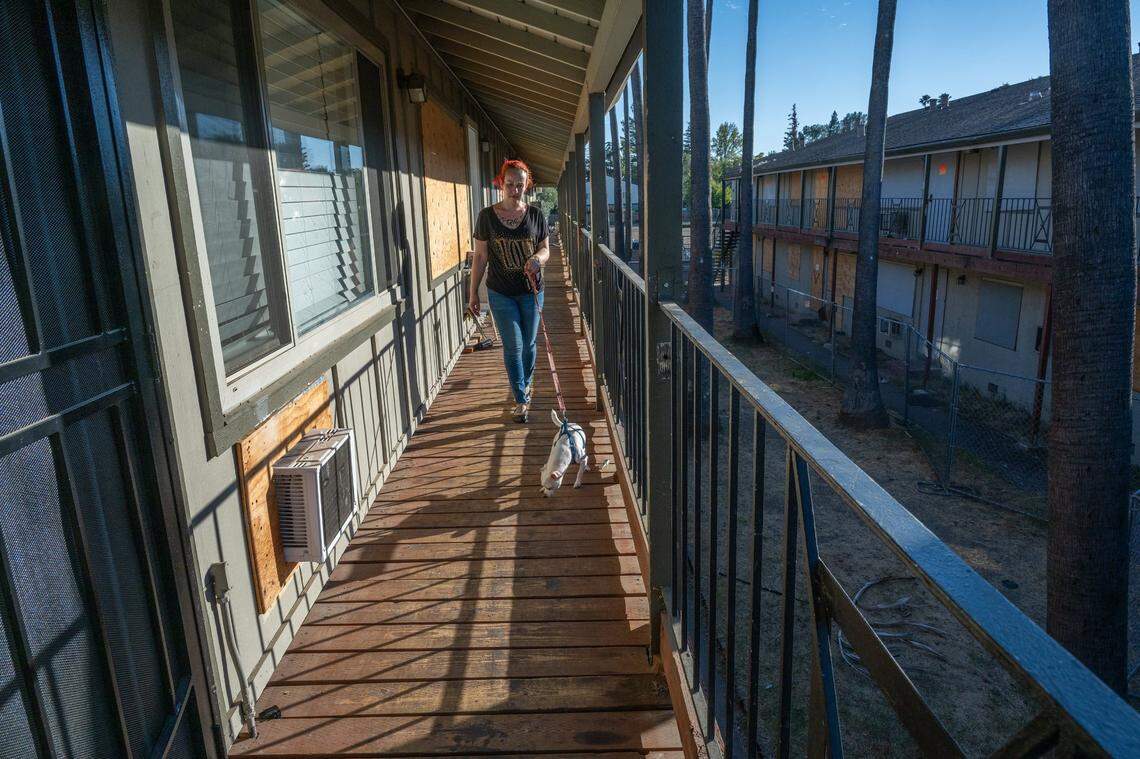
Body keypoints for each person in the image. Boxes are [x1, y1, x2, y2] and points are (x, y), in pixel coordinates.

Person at [468, 159, 550, 423]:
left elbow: (546, 248)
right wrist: (472, 295)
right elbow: (480, 258)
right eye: (510, 184)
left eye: (520, 185)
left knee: (529, 344)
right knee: (513, 346)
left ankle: (525, 382)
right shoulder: (486, 217)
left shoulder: (536, 215)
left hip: (531, 290)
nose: (515, 189)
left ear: (527, 185)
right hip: (500, 292)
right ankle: (520, 399)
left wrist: (538, 259)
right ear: (501, 183)